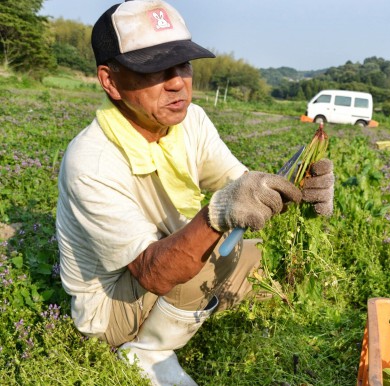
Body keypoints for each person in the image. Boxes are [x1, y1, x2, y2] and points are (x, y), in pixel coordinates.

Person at [55, 1, 334, 385]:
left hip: (170, 261)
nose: (177, 83)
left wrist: (299, 188)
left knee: (266, 264)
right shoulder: (91, 161)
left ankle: (185, 311)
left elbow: (240, 189)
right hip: (112, 305)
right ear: (110, 81)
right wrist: (217, 215)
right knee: (206, 254)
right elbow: (153, 272)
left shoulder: (192, 122)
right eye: (153, 68)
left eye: (183, 64)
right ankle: (145, 353)